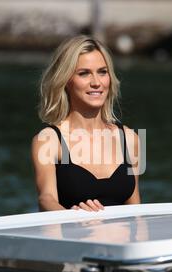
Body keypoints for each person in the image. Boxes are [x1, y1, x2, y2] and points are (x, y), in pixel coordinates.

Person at [31, 35, 141, 212]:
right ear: (66, 80)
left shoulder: (131, 139)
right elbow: (46, 198)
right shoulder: (48, 140)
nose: (96, 82)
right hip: (74, 237)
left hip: (123, 239)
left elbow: (136, 207)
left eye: (102, 72)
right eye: (84, 73)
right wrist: (74, 218)